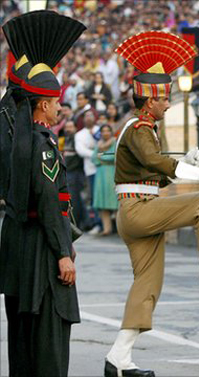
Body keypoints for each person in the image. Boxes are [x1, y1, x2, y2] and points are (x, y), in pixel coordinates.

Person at [104, 31, 199, 377]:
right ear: (149, 100)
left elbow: (153, 172)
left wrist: (185, 161)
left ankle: (118, 358)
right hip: (139, 210)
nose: (168, 103)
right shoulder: (140, 127)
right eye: (164, 98)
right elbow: (156, 163)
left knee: (148, 285)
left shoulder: (143, 129)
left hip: (139, 207)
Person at [0, 11, 85, 376]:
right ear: (44, 105)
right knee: (50, 338)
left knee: (23, 340)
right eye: (56, 103)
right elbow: (51, 202)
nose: (59, 108)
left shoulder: (16, 136)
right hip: (41, 250)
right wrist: (64, 252)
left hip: (16, 246)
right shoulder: (43, 144)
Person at [74, 109, 101, 232]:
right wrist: (96, 154)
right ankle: (96, 222)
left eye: (91, 115)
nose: (89, 118)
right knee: (94, 197)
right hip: (91, 170)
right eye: (86, 116)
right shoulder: (79, 134)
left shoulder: (100, 130)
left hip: (105, 168)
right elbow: (81, 150)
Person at [91, 124, 118, 236]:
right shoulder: (99, 144)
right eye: (103, 131)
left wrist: (101, 157)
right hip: (100, 175)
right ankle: (107, 229)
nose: (105, 133)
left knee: (116, 204)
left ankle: (120, 229)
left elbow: (114, 157)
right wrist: (102, 158)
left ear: (111, 132)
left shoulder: (115, 143)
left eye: (108, 131)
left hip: (111, 174)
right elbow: (93, 158)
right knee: (102, 204)